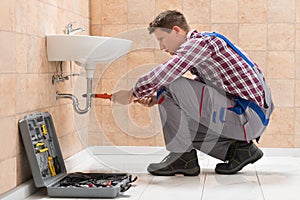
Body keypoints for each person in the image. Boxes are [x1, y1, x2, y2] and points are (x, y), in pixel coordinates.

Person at [111, 10, 274, 176]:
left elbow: (167, 72)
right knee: (180, 122)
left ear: (176, 31)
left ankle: (182, 157)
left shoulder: (200, 43)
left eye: (161, 39)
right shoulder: (206, 44)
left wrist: (133, 93)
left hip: (248, 116)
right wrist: (158, 97)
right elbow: (210, 88)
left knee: (169, 83)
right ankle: (238, 151)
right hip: (249, 116)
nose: (161, 47)